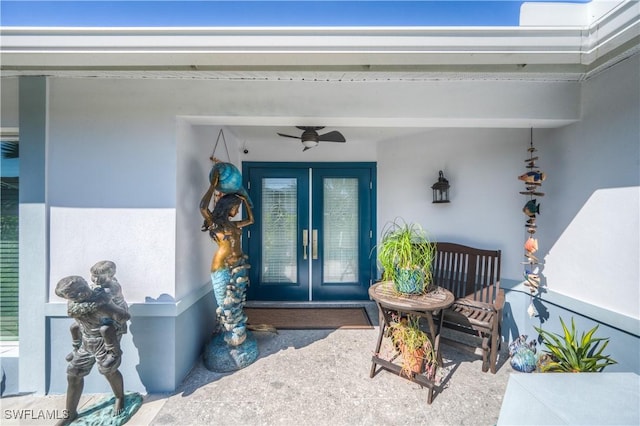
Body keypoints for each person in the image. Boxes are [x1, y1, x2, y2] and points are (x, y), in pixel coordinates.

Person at [55, 275, 130, 425]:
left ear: (85, 285)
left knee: (109, 371)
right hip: (86, 341)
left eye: (81, 289)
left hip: (104, 341)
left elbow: (124, 316)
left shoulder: (101, 302)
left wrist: (111, 313)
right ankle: (70, 413)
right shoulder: (74, 306)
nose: (79, 295)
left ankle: (119, 397)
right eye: (72, 295)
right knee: (73, 374)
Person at [201, 184, 254, 346]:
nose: (237, 212)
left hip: (237, 266)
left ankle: (234, 332)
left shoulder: (233, 225)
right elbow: (203, 207)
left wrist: (245, 201)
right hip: (222, 267)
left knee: (236, 302)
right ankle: (229, 335)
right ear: (228, 207)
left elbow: (251, 220)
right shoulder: (215, 224)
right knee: (225, 303)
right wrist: (212, 186)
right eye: (236, 208)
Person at [89, 260, 129, 368]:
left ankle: (114, 352)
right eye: (93, 276)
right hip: (103, 312)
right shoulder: (100, 285)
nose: (96, 280)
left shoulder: (111, 288)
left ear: (110, 276)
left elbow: (101, 300)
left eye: (100, 277)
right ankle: (76, 347)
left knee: (107, 330)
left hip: (114, 313)